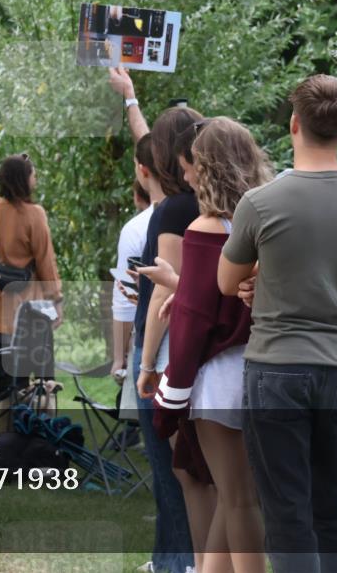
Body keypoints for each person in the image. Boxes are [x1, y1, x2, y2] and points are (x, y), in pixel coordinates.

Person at [218, 75, 337, 573]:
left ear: (294, 123)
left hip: (277, 365)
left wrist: (264, 276)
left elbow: (227, 282)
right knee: (331, 506)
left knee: (287, 511)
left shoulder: (260, 203)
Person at [151, 117, 271, 573]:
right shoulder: (267, 221)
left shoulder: (205, 229)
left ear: (209, 167)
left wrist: (171, 392)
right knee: (236, 495)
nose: (186, 177)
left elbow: (195, 321)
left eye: (192, 166)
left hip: (220, 377)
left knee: (238, 499)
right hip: (263, 367)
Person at [131, 106, 203, 573]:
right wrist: (129, 100)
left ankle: (178, 563)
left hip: (164, 347)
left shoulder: (175, 209)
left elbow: (165, 286)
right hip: (193, 345)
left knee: (170, 468)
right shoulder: (209, 203)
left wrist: (145, 364)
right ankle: (169, 560)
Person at [0, 153, 62, 349]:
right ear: (24, 179)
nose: (35, 179)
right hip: (28, 312)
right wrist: (56, 299)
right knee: (30, 366)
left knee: (3, 366)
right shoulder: (34, 214)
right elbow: (46, 262)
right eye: (33, 175)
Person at [111, 136, 159, 385]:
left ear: (142, 169)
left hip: (150, 342)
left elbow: (125, 297)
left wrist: (119, 358)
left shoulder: (137, 228)